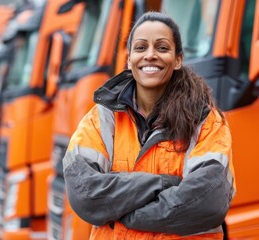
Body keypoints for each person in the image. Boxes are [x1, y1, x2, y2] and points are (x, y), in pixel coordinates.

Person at [63, 11, 236, 239]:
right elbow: (85, 195)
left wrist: (124, 215)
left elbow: (206, 202)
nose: (150, 55)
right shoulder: (102, 119)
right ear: (129, 58)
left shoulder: (206, 121)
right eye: (141, 47)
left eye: (162, 48)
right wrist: (165, 184)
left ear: (178, 60)